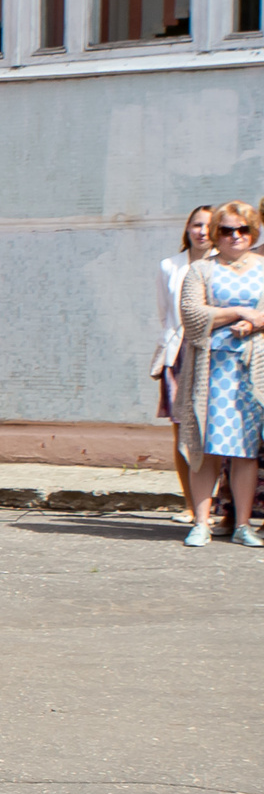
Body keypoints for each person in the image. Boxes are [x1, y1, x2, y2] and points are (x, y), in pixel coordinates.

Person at [182, 201, 264, 547]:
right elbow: (191, 313)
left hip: (252, 369)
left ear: (252, 232)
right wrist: (236, 311)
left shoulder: (263, 267)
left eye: (242, 230)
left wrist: (254, 320)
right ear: (217, 233)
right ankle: (201, 522)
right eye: (227, 230)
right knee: (207, 445)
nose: (235, 237)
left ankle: (243, 524)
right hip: (212, 368)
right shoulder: (202, 270)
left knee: (245, 449)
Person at [159, 207, 215, 532]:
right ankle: (191, 505)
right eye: (197, 224)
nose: (202, 231)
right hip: (178, 354)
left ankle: (215, 503)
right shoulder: (170, 266)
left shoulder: (225, 267)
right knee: (182, 430)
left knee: (214, 429)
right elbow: (165, 314)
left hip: (213, 352)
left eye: (209, 226)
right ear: (187, 228)